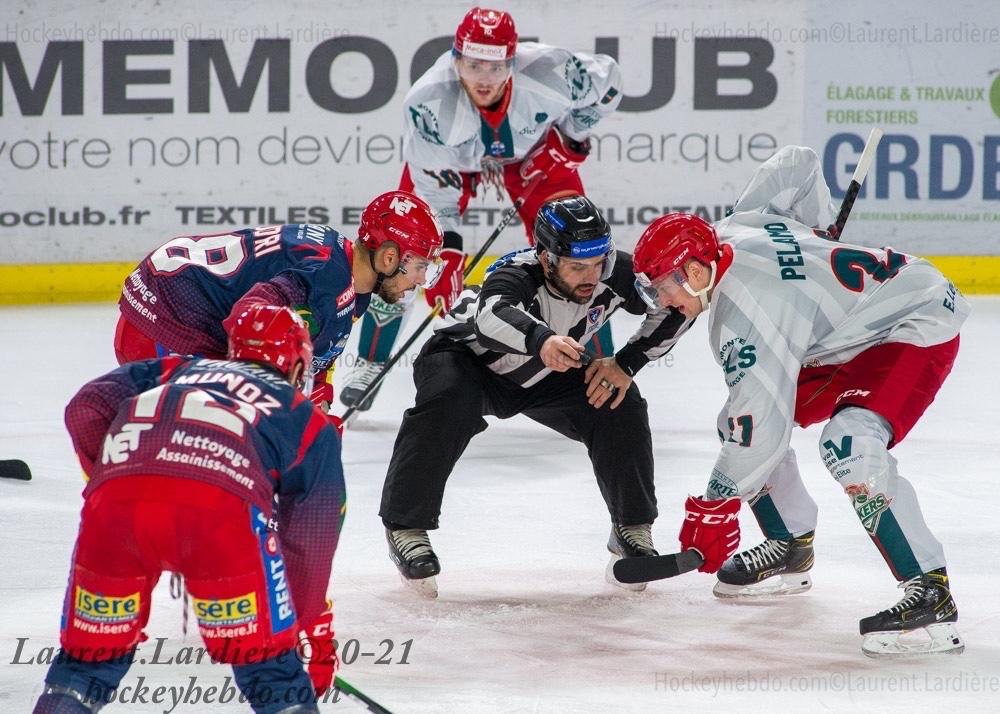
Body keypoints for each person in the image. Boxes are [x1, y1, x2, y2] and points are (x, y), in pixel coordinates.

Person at [631, 145, 970, 657]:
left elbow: (761, 428)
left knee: (849, 444)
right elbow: (797, 162)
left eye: (662, 288)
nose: (662, 301)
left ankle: (931, 592)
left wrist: (715, 507)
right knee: (734, 423)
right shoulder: (734, 227)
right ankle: (790, 543)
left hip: (914, 318)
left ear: (696, 272)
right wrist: (816, 229)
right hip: (848, 334)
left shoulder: (747, 314)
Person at [378, 194, 693, 598]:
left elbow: (676, 304)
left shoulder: (616, 272)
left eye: (598, 264)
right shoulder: (516, 273)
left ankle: (631, 527)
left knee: (618, 402)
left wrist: (626, 363)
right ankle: (405, 527)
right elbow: (492, 315)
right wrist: (541, 340)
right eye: (577, 267)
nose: (591, 277)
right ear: (546, 259)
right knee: (448, 403)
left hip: (547, 368)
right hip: (467, 360)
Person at [34, 305, 345, 714]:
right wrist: (295, 628)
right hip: (219, 521)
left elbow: (86, 406)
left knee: (86, 665)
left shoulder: (174, 370)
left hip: (115, 513)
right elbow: (311, 539)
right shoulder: (305, 417)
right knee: (269, 673)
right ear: (297, 365)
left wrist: (113, 473)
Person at [341, 6, 623, 413]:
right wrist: (449, 248)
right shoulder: (428, 101)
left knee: (577, 246)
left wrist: (569, 137)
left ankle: (596, 364)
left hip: (534, 157)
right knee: (403, 247)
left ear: (513, 61)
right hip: (452, 166)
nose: (484, 79)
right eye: (473, 66)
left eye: (496, 67)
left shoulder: (549, 71)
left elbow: (610, 82)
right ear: (456, 59)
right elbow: (435, 191)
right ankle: (369, 362)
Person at [115, 191, 444, 416]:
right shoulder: (326, 279)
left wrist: (316, 406)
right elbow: (249, 321)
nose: (420, 280)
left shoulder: (347, 277)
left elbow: (318, 351)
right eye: (420, 267)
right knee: (211, 442)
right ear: (389, 257)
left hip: (164, 297)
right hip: (163, 321)